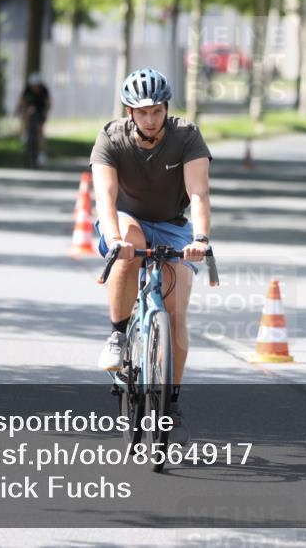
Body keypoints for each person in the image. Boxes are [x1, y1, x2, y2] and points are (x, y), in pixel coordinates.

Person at [89, 68, 213, 445]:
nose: (150, 119)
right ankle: (117, 336)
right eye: (142, 112)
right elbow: (105, 198)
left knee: (176, 313)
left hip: (174, 225)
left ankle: (170, 401)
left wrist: (201, 238)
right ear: (130, 112)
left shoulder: (187, 136)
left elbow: (199, 194)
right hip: (126, 221)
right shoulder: (111, 138)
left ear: (165, 108)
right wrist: (113, 239)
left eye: (156, 111)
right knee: (130, 242)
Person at [17, 72, 51, 167]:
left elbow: (48, 103)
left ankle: (41, 153)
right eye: (33, 86)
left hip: (40, 110)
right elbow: (21, 101)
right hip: (30, 109)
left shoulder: (44, 90)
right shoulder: (27, 89)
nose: (35, 88)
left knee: (40, 130)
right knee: (27, 113)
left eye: (36, 86)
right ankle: (25, 133)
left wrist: (46, 112)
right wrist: (19, 109)